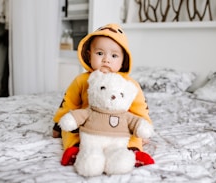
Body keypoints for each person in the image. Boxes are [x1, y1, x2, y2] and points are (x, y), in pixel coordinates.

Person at [53, 23, 154, 167]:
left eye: (114, 55)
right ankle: (75, 149)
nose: (106, 59)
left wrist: (144, 129)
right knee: (69, 131)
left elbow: (140, 108)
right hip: (87, 126)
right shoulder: (82, 80)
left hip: (119, 128)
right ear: (89, 55)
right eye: (100, 53)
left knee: (132, 135)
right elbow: (68, 102)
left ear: (123, 60)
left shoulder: (128, 84)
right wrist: (58, 124)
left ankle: (133, 151)